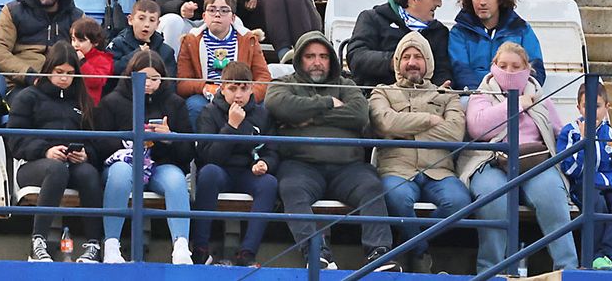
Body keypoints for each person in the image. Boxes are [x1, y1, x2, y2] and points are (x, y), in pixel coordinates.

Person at [264, 30, 396, 271]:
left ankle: (379, 255)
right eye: (310, 56)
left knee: (372, 187)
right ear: (299, 59)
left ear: (332, 60)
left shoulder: (346, 85)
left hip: (348, 167)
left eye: (323, 56)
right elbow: (279, 105)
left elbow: (358, 114)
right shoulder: (284, 84)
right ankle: (316, 254)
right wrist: (326, 104)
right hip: (300, 166)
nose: (317, 62)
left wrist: (307, 118)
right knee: (291, 189)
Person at [462, 42, 579, 273]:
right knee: (492, 200)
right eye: (503, 65)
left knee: (552, 196)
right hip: (491, 161)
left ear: (527, 69)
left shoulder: (542, 99)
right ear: (493, 66)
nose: (508, 71)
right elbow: (478, 127)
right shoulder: (480, 95)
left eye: (516, 66)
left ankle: (568, 269)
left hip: (534, 160)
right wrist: (516, 104)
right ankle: (492, 271)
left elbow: (559, 131)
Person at [369, 31, 472, 271]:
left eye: (418, 56)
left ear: (428, 62)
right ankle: (420, 252)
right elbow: (384, 123)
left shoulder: (447, 96)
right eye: (406, 57)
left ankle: (408, 246)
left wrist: (402, 126)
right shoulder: (382, 92)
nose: (412, 62)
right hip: (397, 169)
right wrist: (430, 119)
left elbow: (454, 134)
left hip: (439, 170)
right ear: (398, 62)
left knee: (459, 202)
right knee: (396, 198)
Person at [94, 49, 196, 265]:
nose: (148, 83)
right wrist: (128, 141)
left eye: (155, 78)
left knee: (176, 179)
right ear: (131, 74)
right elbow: (99, 145)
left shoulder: (175, 103)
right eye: (143, 77)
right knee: (120, 173)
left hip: (161, 165)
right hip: (123, 164)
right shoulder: (112, 101)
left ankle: (181, 246)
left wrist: (170, 138)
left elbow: (187, 154)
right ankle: (111, 245)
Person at [6, 42, 105, 263]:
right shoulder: (28, 96)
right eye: (59, 72)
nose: (64, 78)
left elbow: (95, 141)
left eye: (70, 73)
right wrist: (46, 150)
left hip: (73, 165)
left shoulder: (83, 100)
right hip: (33, 165)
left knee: (89, 173)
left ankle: (94, 244)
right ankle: (38, 242)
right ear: (48, 69)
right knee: (57, 169)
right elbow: (15, 140)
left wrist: (86, 154)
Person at [191, 59, 280, 266]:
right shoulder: (209, 112)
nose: (238, 95)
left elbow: (273, 150)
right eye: (232, 88)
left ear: (251, 88)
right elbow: (208, 156)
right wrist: (231, 126)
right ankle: (200, 249)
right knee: (209, 173)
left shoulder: (263, 115)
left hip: (249, 173)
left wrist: (266, 163)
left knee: (269, 183)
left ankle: (247, 253)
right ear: (222, 88)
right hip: (220, 171)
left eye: (244, 88)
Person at [558, 81, 612, 270]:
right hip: (584, 184)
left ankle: (603, 256)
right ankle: (589, 258)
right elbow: (570, 169)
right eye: (586, 106)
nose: (591, 111)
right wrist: (583, 142)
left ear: (606, 107)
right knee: (597, 205)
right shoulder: (570, 133)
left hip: (611, 186)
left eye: (596, 106)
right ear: (578, 108)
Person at [344, 0, 455, 88]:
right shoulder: (372, 18)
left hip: (424, 100)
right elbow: (356, 58)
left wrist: (442, 89)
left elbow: (442, 70)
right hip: (376, 96)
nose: (439, 3)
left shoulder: (439, 31)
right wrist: (396, 61)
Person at [177, 0, 271, 126]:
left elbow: (263, 77)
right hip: (207, 94)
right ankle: (199, 146)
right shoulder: (191, 40)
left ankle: (254, 146)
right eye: (212, 10)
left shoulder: (248, 39)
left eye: (224, 10)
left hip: (240, 91)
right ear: (204, 16)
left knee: (262, 107)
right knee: (194, 105)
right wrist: (204, 87)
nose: (217, 14)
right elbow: (182, 82)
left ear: (233, 17)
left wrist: (247, 94)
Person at [449, 0, 546, 92]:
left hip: (515, 97)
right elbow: (460, 71)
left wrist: (519, 94)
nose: (482, 2)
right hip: (474, 96)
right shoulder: (459, 33)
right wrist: (481, 95)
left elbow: (536, 69)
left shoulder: (521, 29)